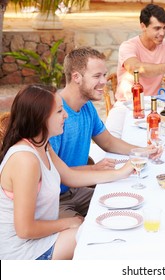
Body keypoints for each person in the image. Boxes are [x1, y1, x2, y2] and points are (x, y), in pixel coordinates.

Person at [0, 84, 135, 260]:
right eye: (59, 111)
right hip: (22, 252)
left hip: (39, 238)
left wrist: (121, 172)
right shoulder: (26, 160)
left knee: (110, 225)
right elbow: (25, 230)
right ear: (39, 118)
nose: (66, 115)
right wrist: (69, 222)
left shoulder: (42, 145)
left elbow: (70, 176)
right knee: (100, 239)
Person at [49, 47, 140, 218]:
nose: (104, 81)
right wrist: (94, 169)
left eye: (104, 75)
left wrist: (142, 151)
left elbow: (108, 142)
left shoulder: (87, 107)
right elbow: (53, 173)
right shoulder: (54, 114)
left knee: (128, 205)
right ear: (76, 77)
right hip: (55, 200)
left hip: (78, 190)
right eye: (97, 76)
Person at [115, 3, 165, 100]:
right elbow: (135, 68)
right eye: (157, 28)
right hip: (127, 103)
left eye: (164, 27)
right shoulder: (128, 46)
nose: (162, 33)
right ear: (143, 26)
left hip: (154, 103)